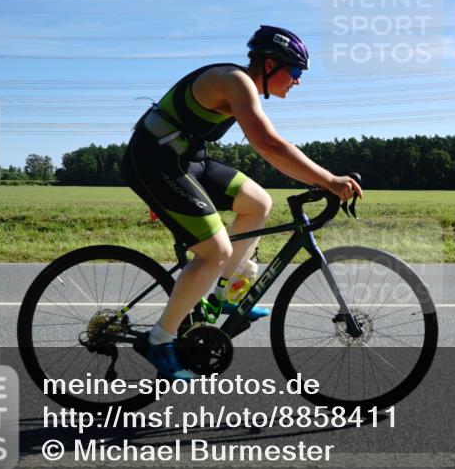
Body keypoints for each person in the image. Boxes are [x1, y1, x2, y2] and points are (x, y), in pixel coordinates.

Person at [121, 26, 363, 380]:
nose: (298, 81)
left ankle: (226, 292)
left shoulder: (242, 83)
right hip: (153, 161)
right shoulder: (235, 81)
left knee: (258, 203)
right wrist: (328, 180)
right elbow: (269, 145)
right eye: (295, 72)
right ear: (269, 64)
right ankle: (159, 340)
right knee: (214, 250)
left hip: (186, 158)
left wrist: (320, 179)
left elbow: (272, 150)